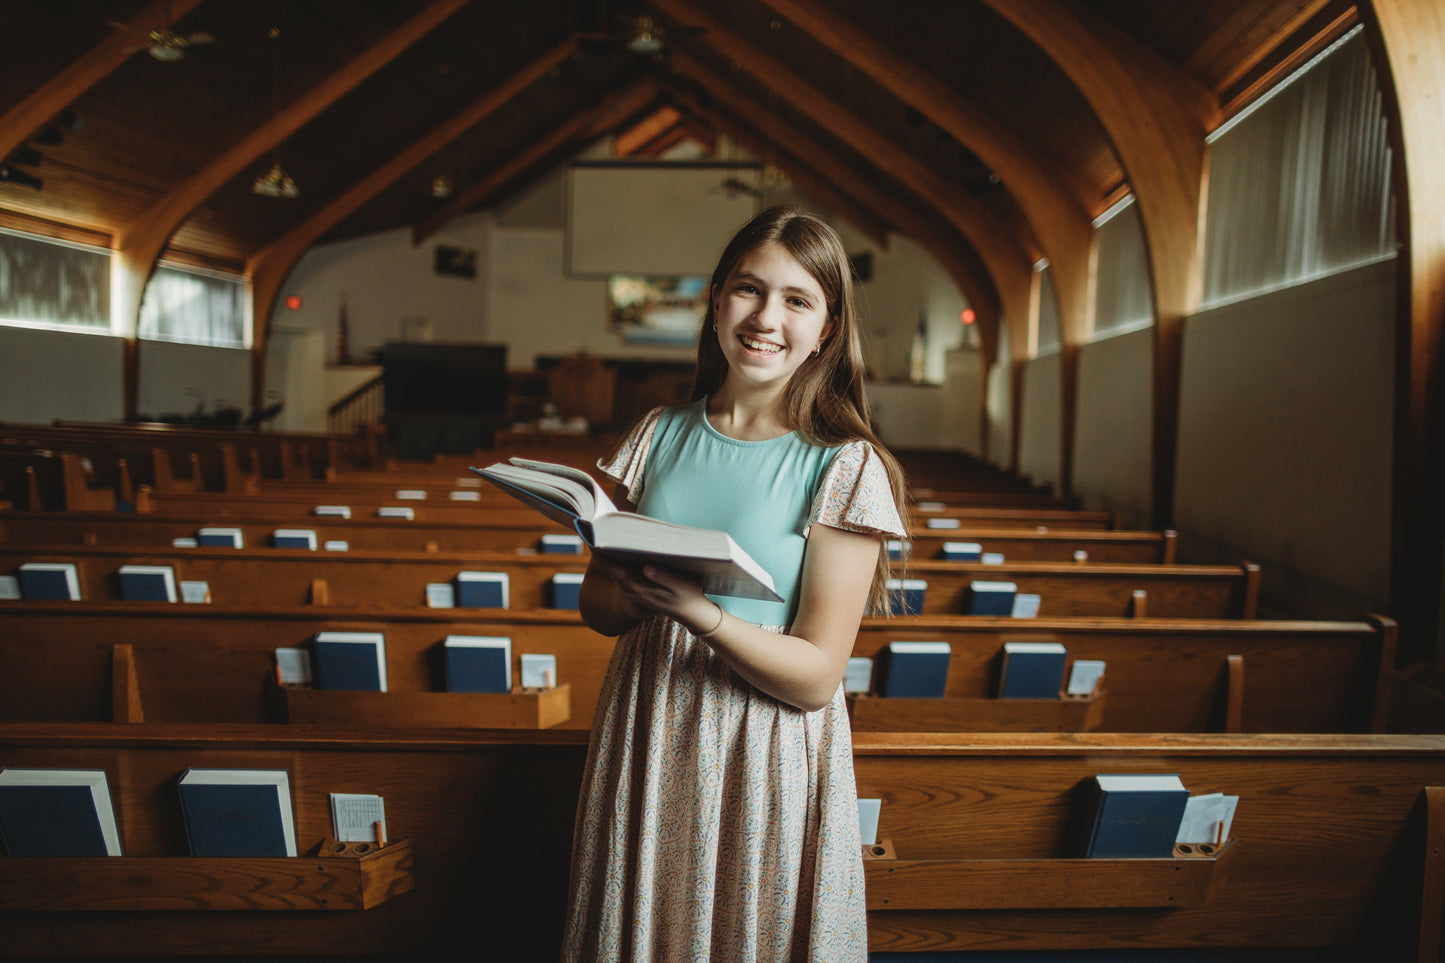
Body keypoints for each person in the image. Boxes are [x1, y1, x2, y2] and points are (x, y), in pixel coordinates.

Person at [561, 206, 910, 962]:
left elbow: (818, 676)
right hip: (647, 721)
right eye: (749, 290)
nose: (765, 317)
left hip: (760, 745)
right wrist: (632, 591)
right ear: (716, 300)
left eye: (796, 299)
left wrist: (696, 612)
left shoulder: (843, 464)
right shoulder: (657, 431)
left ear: (826, 327)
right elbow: (596, 604)